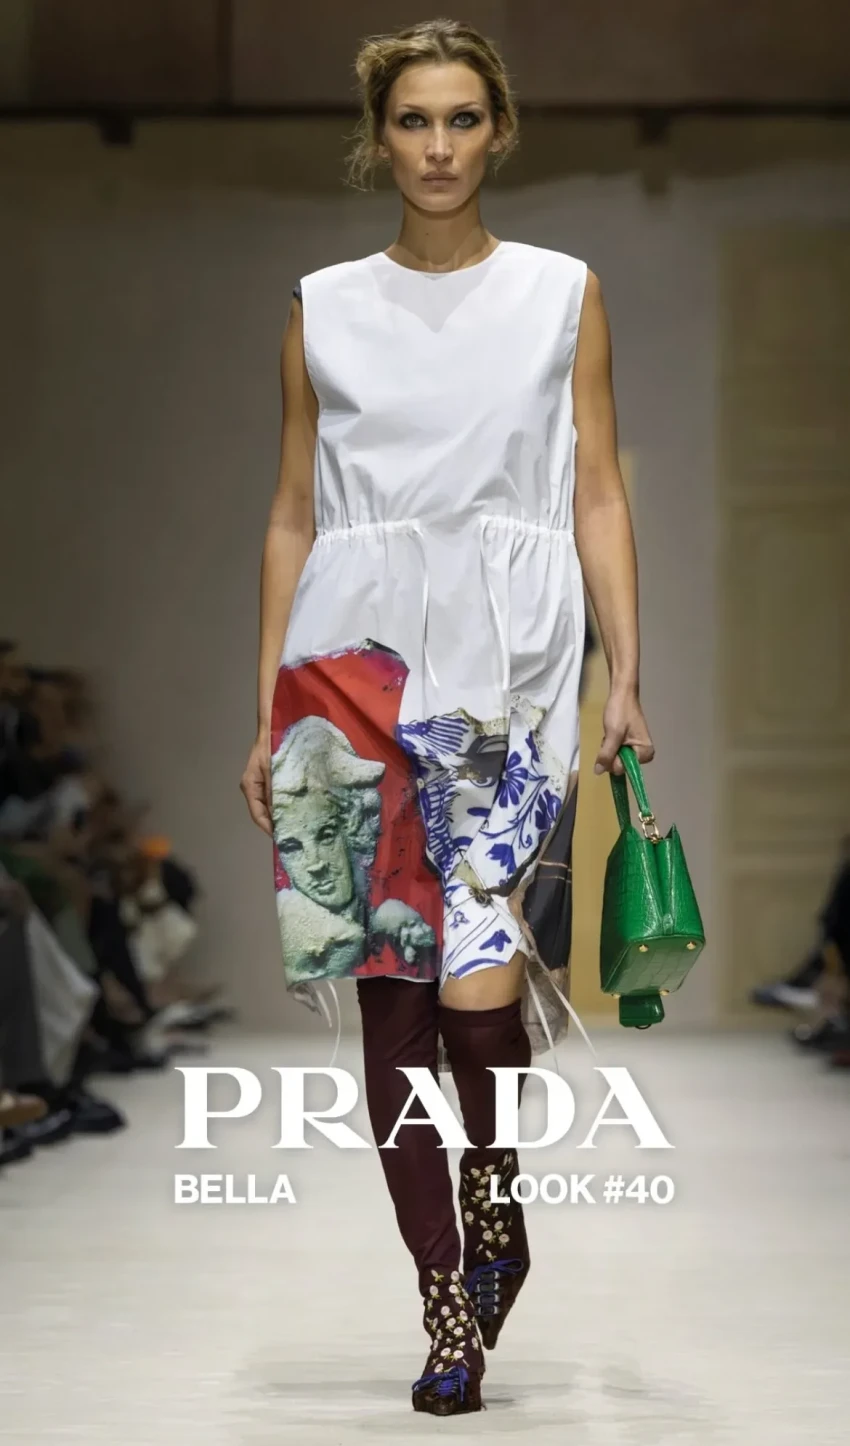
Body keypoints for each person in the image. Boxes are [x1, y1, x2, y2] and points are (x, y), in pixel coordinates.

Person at [240, 18, 654, 1417]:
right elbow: (291, 513)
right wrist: (267, 712)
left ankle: (495, 1197)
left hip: (508, 673)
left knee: (480, 1010)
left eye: (461, 119)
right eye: (412, 120)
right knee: (391, 1004)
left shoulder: (560, 294)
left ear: (499, 131)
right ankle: (446, 1302)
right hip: (346, 673)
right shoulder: (320, 304)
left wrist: (626, 673)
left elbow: (598, 489)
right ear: (380, 136)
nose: (436, 146)